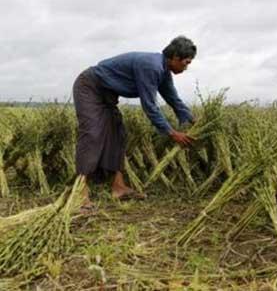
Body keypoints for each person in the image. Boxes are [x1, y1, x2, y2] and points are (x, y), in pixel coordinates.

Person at [72, 35, 197, 213]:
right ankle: (80, 194)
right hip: (90, 88)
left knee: (118, 134)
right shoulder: (151, 66)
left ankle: (118, 187)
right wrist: (172, 133)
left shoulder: (163, 71)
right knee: (92, 134)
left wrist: (192, 120)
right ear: (175, 57)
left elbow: (172, 98)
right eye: (186, 62)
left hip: (107, 95)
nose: (186, 67)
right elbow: (149, 106)